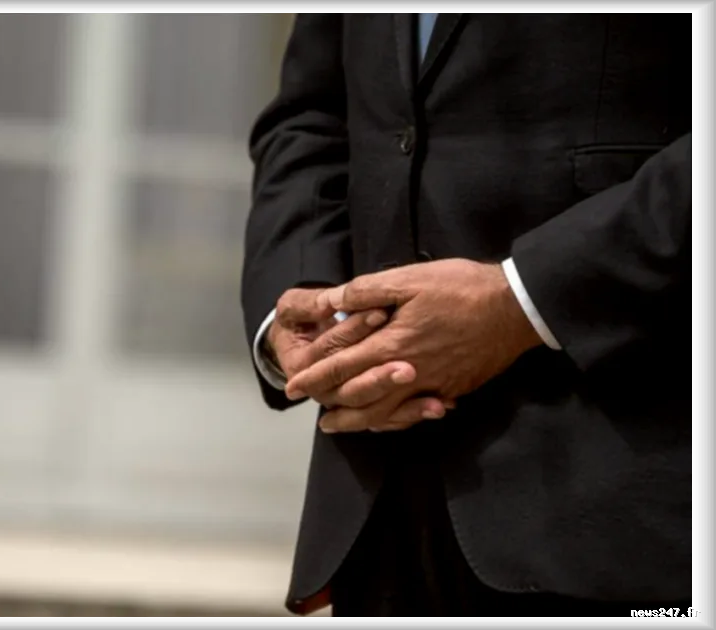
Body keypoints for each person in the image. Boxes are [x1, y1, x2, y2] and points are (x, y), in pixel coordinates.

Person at [242, 13, 693, 619]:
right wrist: (302, 308)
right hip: (385, 507)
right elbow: (313, 115)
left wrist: (519, 300)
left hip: (630, 505)